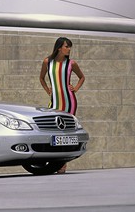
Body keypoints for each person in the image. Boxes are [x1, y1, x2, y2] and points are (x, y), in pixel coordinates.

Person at [39, 37, 85, 174]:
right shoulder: (47, 62)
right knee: (55, 131)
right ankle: (55, 162)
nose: (69, 49)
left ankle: (62, 164)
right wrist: (47, 89)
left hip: (70, 101)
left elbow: (82, 77)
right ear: (59, 47)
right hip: (55, 102)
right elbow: (41, 78)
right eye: (66, 46)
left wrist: (75, 88)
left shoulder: (72, 63)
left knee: (67, 132)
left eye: (70, 47)